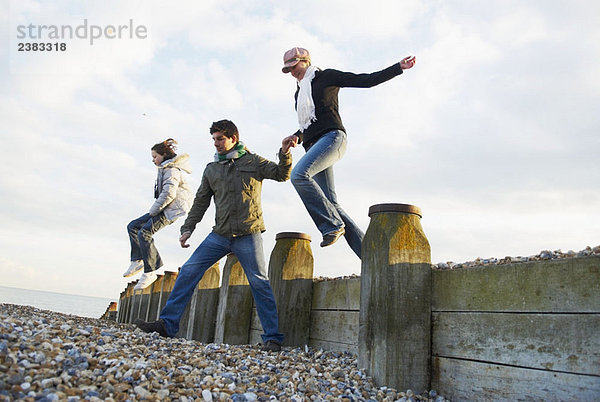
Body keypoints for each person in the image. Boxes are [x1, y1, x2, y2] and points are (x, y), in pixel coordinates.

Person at [135, 119, 295, 352]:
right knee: (189, 270)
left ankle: (272, 338)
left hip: (248, 233)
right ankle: (167, 325)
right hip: (219, 235)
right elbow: (201, 201)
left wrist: (284, 152)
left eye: (221, 138)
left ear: (234, 139)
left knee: (259, 282)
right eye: (214, 139)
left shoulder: (253, 161)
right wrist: (188, 228)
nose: (216, 143)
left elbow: (282, 174)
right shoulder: (212, 169)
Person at [281, 47, 416, 258]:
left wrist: (398, 67)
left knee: (299, 175)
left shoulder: (326, 77)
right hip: (313, 144)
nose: (292, 72)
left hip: (332, 139)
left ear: (306, 61)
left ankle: (332, 225)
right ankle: (370, 256)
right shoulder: (300, 92)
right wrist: (297, 136)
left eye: (294, 67)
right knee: (331, 204)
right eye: (287, 70)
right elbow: (309, 123)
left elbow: (366, 80)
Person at [124, 139, 193, 290]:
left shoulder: (172, 170)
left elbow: (169, 193)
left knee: (145, 233)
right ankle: (138, 260)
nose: (153, 160)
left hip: (173, 209)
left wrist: (153, 210)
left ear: (164, 155)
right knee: (133, 226)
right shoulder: (164, 168)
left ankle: (151, 271)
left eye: (155, 157)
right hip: (164, 207)